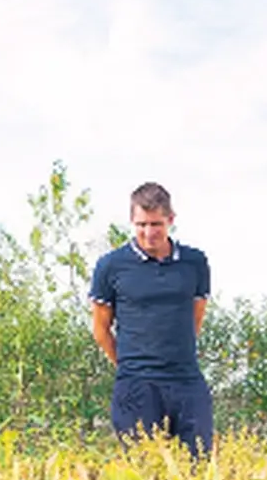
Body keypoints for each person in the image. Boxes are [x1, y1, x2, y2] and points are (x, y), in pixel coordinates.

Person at [89, 180, 212, 457]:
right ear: (132, 222)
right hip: (136, 385)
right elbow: (101, 330)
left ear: (171, 220)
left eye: (156, 224)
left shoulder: (195, 263)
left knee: (199, 465)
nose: (148, 232)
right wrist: (130, 365)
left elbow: (195, 319)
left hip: (186, 380)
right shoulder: (110, 266)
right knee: (144, 468)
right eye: (141, 224)